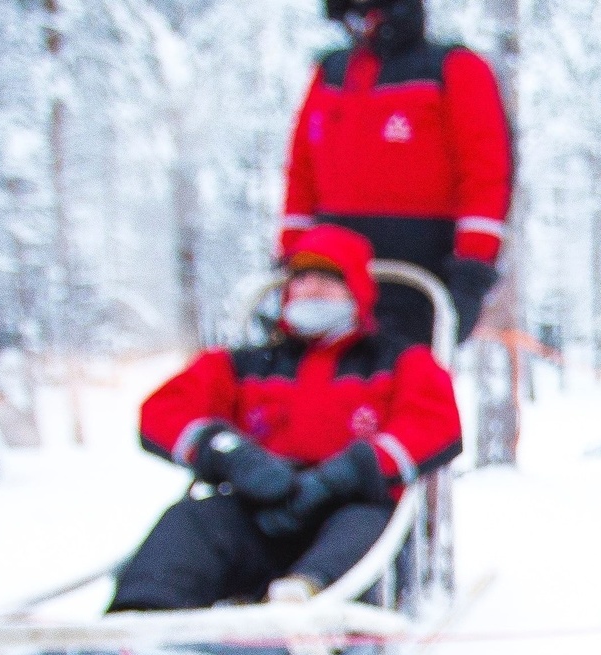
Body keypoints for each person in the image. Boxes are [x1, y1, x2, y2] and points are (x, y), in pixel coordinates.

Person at [114, 226, 461, 611]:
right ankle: (134, 625)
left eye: (329, 279)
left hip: (353, 510)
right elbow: (162, 412)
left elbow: (435, 423)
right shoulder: (244, 365)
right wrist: (229, 453)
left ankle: (305, 609)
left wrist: (351, 469)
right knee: (194, 520)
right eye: (301, 278)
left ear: (357, 290)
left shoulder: (398, 361)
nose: (311, 289)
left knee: (363, 526)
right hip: (261, 509)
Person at [280, 0, 513, 347]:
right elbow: (301, 172)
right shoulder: (329, 73)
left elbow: (486, 172)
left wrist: (472, 268)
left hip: (419, 272)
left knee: (405, 386)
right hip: (329, 274)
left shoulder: (453, 69)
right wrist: (290, 257)